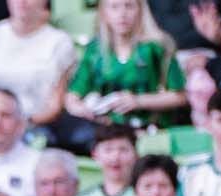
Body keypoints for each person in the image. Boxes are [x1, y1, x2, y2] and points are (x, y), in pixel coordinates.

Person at [0, 0, 79, 152]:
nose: (22, 2)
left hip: (35, 128)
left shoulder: (60, 42)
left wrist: (17, 125)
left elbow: (54, 107)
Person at [65, 0, 187, 130]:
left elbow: (180, 96)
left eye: (129, 6)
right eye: (114, 7)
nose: (122, 14)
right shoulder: (94, 50)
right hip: (104, 128)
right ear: (103, 12)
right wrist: (81, 109)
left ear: (141, 10)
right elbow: (72, 96)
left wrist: (138, 101)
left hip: (149, 127)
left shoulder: (157, 47)